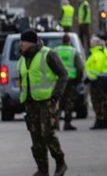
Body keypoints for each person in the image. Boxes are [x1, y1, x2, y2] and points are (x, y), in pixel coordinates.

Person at [18, 29, 69, 176]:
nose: (21, 44)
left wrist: (56, 96)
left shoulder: (48, 54)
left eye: (23, 41)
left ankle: (60, 163)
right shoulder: (23, 58)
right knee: (36, 137)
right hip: (30, 102)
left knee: (48, 134)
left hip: (47, 102)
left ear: (31, 42)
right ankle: (42, 169)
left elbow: (63, 74)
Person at [55, 33, 84, 131]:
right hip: (71, 80)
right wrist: (79, 80)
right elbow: (80, 68)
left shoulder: (56, 51)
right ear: (69, 41)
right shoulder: (73, 52)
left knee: (58, 101)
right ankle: (67, 123)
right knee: (69, 102)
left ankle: (56, 123)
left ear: (62, 41)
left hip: (58, 80)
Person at [85, 36, 107, 130]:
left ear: (95, 43)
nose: (90, 44)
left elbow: (95, 70)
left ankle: (99, 121)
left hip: (97, 81)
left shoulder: (96, 55)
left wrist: (88, 79)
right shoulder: (104, 52)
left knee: (97, 102)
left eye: (91, 43)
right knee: (103, 101)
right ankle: (104, 121)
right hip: (104, 80)